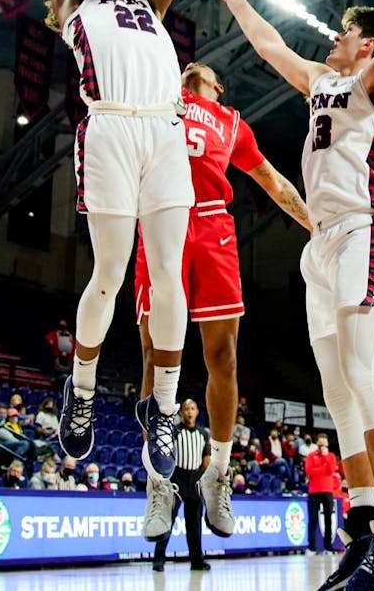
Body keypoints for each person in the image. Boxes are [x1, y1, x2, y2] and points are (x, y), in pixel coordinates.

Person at [204, 0, 374, 591]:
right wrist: (236, 0)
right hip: (322, 243)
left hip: (367, 229)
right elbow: (271, 49)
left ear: (365, 45)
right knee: (336, 390)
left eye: (348, 32)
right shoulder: (324, 85)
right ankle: (363, 527)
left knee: (363, 367)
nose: (337, 37)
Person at [45, 0, 195, 480]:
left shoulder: (146, 6)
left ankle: (160, 405)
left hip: (165, 131)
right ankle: (80, 391)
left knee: (167, 276)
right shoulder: (73, 3)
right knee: (110, 271)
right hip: (108, 128)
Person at [125, 59, 310, 538]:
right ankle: (158, 482)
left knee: (222, 355)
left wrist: (317, 226)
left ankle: (218, 473)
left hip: (212, 226)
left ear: (219, 85)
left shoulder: (231, 123)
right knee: (152, 353)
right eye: (184, 66)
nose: (190, 67)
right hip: (162, 217)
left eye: (200, 69)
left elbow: (272, 180)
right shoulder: (160, 99)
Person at [149, 400, 210, 573]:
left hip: (195, 479)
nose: (190, 412)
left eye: (193, 408)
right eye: (186, 409)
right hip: (177, 479)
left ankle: (197, 561)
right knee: (167, 520)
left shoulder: (203, 434)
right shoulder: (175, 431)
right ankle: (158, 560)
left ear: (197, 411)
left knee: (195, 525)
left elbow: (206, 459)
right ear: (181, 412)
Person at [306, 434, 340, 554]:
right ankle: (311, 547)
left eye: (324, 444)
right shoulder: (311, 456)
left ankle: (328, 547)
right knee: (313, 519)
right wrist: (322, 468)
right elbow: (309, 471)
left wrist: (325, 458)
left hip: (327, 491)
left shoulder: (330, 456)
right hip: (314, 491)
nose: (322, 447)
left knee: (328, 520)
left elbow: (331, 470)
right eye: (320, 444)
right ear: (317, 444)